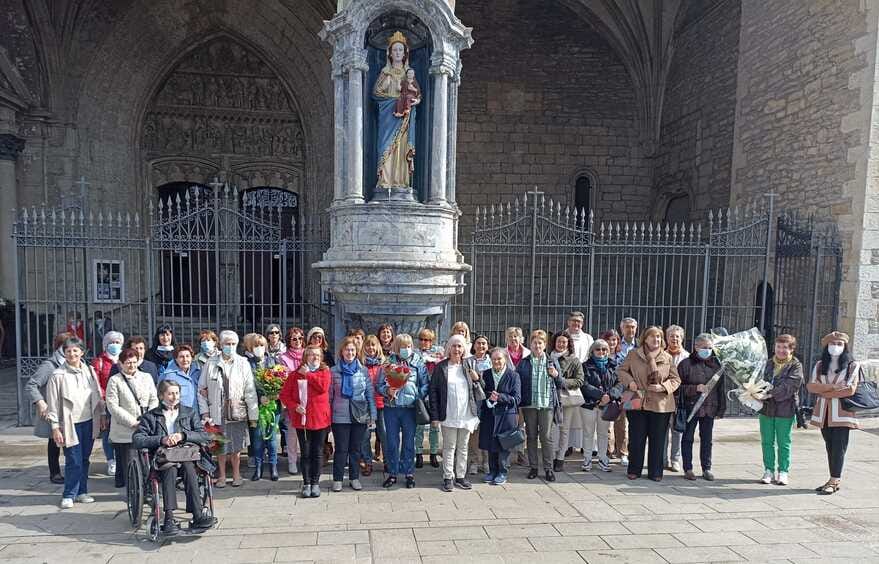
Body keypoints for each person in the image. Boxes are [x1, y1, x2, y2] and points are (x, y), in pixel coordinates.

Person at [132, 380, 216, 535]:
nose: (174, 397)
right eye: (170, 393)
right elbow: (137, 439)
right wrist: (161, 439)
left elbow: (205, 436)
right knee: (169, 468)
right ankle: (169, 518)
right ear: (161, 395)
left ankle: (197, 515)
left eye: (176, 393)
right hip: (164, 457)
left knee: (189, 468)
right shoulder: (151, 416)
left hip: (186, 454)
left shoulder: (189, 413)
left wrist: (183, 435)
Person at [45, 337, 105, 509]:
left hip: (88, 421)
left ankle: (82, 491)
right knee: (73, 460)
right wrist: (55, 427)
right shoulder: (58, 375)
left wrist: (101, 415)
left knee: (85, 459)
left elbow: (96, 395)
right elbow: (53, 403)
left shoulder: (89, 371)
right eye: (68, 351)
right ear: (64, 353)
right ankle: (69, 494)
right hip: (69, 424)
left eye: (75, 350)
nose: (72, 354)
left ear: (82, 352)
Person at [617, 326, 681, 481]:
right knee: (636, 438)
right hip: (637, 401)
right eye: (652, 337)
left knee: (658, 439)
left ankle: (655, 472)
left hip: (661, 404)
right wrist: (630, 382)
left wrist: (663, 387)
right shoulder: (633, 354)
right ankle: (634, 470)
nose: (656, 340)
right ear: (645, 339)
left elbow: (676, 380)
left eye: (659, 337)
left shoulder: (667, 357)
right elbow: (621, 371)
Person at [198, 330, 258, 488]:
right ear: (221, 344)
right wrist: (205, 413)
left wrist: (253, 415)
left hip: (237, 412)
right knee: (219, 446)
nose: (230, 347)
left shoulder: (243, 363)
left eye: (233, 344)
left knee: (236, 446)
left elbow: (250, 390)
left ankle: (237, 474)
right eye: (227, 344)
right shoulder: (211, 363)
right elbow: (201, 390)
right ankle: (222, 476)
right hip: (215, 413)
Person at [807, 331, 861, 495]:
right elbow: (811, 386)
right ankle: (832, 478)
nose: (835, 347)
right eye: (832, 344)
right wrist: (833, 388)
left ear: (845, 346)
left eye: (839, 344)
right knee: (829, 446)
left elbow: (850, 389)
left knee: (839, 447)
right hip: (823, 413)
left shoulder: (852, 365)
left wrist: (824, 392)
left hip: (842, 414)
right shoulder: (819, 365)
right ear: (826, 346)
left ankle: (834, 480)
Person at [429, 334, 480, 492]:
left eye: (460, 346)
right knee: (449, 447)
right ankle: (448, 477)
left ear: (464, 348)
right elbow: (433, 393)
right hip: (449, 413)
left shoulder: (469, 364)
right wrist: (435, 416)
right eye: (454, 346)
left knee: (463, 447)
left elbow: (480, 386)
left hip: (466, 413)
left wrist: (476, 378)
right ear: (449, 348)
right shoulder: (441, 367)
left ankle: (461, 476)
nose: (457, 349)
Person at [378, 333, 429, 489]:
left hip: (410, 409)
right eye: (402, 346)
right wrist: (388, 390)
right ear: (396, 347)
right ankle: (392, 473)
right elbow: (379, 385)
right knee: (392, 443)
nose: (405, 349)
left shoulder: (418, 363)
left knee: (409, 443)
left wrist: (416, 396)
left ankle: (409, 473)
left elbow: (425, 384)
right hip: (391, 408)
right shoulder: (388, 364)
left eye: (408, 346)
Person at [279, 346, 331, 498]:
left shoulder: (324, 372)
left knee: (317, 452)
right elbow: (285, 395)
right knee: (306, 452)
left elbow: (322, 388)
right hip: (303, 420)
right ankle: (306, 483)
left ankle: (316, 483)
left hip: (320, 419)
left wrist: (308, 374)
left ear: (321, 357)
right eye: (311, 355)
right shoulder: (295, 375)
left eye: (317, 355)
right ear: (305, 357)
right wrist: (295, 407)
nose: (314, 357)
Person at [25, 332, 74, 484]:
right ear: (61, 348)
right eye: (68, 347)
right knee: (54, 442)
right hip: (54, 410)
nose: (72, 351)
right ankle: (55, 472)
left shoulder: (75, 362)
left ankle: (73, 470)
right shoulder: (50, 366)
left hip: (70, 410)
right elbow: (31, 385)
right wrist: (40, 401)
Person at [106, 347, 158, 489]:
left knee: (147, 463)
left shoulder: (146, 377)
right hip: (125, 431)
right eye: (128, 363)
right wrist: (132, 422)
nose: (132, 365)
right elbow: (113, 406)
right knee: (131, 464)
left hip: (146, 428)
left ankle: (149, 491)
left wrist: (148, 419)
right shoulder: (115, 380)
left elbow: (154, 398)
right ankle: (134, 495)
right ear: (121, 364)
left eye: (134, 362)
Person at [329, 337, 376, 492]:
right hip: (339, 415)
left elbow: (369, 392)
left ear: (356, 352)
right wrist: (327, 415)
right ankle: (337, 479)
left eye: (352, 350)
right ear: (341, 352)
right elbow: (329, 395)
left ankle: (354, 478)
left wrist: (372, 414)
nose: (349, 353)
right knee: (341, 449)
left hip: (359, 415)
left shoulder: (362, 370)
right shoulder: (334, 371)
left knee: (356, 449)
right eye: (347, 350)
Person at [757, 333, 803, 486]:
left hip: (785, 408)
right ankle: (768, 470)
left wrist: (768, 394)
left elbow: (789, 387)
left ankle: (783, 471)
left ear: (791, 350)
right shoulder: (768, 363)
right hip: (766, 409)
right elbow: (758, 379)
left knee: (783, 442)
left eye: (785, 348)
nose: (781, 350)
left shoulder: (795, 365)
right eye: (778, 347)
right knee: (767, 441)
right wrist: (754, 390)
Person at [677, 333, 725, 481]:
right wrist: (694, 388)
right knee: (688, 438)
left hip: (709, 407)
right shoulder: (685, 364)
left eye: (710, 348)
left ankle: (707, 468)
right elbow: (678, 388)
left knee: (707, 439)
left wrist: (721, 409)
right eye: (704, 347)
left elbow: (720, 389)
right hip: (691, 408)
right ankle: (688, 468)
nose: (707, 350)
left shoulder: (717, 365)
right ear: (696, 347)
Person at [518, 329, 562, 482]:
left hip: (546, 404)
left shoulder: (551, 361)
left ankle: (548, 468)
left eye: (540, 343)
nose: (537, 345)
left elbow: (561, 383)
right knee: (531, 436)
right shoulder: (524, 362)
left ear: (545, 345)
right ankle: (534, 467)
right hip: (530, 404)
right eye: (534, 342)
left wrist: (556, 375)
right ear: (530, 344)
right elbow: (519, 384)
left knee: (546, 437)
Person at [479, 347, 521, 485]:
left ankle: (502, 472)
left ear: (505, 360)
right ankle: (492, 471)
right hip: (490, 414)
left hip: (506, 415)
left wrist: (500, 397)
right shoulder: (486, 374)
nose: (496, 361)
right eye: (494, 359)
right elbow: (482, 393)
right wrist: (490, 398)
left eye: (499, 359)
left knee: (503, 445)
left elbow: (517, 398)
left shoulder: (513, 375)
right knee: (491, 444)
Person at [244, 332, 279, 481]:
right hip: (255, 406)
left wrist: (273, 395)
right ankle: (258, 468)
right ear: (250, 347)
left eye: (261, 345)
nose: (259, 348)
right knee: (257, 438)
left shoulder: (273, 361)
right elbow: (246, 384)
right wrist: (259, 397)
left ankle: (273, 466)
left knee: (271, 438)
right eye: (256, 345)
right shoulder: (246, 363)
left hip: (272, 405)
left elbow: (280, 382)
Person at [580, 339, 620, 472]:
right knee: (588, 432)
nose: (601, 352)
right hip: (589, 404)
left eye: (604, 349)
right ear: (592, 351)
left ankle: (603, 458)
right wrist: (600, 396)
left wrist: (610, 396)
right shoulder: (585, 366)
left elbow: (620, 384)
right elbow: (584, 384)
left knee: (603, 433)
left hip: (607, 405)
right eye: (598, 349)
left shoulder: (614, 366)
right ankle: (587, 459)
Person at [550, 331, 585, 472]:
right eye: (559, 341)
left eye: (564, 342)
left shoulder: (574, 360)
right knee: (551, 430)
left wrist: (562, 380)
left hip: (566, 398)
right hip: (550, 397)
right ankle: (551, 456)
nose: (561, 344)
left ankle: (560, 458)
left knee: (564, 429)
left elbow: (580, 380)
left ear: (568, 344)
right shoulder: (548, 357)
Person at [92, 330, 124, 476]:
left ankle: (121, 458)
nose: (115, 345)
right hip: (106, 402)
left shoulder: (125, 359)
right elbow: (96, 383)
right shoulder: (99, 362)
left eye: (117, 342)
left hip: (123, 401)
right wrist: (104, 399)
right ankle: (111, 460)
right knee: (107, 432)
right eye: (111, 342)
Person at [663, 324, 690, 473]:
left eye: (677, 336)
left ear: (682, 339)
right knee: (662, 429)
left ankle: (675, 459)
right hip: (663, 397)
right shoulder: (661, 355)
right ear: (666, 338)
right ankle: (662, 459)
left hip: (680, 398)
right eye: (671, 336)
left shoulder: (687, 357)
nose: (674, 339)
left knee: (677, 430)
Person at [279, 327, 306, 474]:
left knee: (306, 431)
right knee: (292, 432)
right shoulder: (283, 357)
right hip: (292, 399)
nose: (297, 341)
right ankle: (292, 461)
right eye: (294, 339)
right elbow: (283, 378)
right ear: (289, 341)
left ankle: (305, 459)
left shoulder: (307, 354)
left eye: (300, 338)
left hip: (307, 398)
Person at [415, 328, 443, 469]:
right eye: (421, 339)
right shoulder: (415, 354)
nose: (424, 342)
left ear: (432, 341)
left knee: (434, 426)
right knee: (419, 426)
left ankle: (433, 454)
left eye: (427, 340)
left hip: (435, 394)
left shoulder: (439, 353)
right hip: (421, 393)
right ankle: (418, 454)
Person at [465, 335, 492, 475]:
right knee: (474, 433)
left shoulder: (492, 361)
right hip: (473, 401)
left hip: (488, 401)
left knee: (486, 432)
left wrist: (478, 379)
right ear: (473, 346)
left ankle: (486, 462)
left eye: (484, 344)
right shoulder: (468, 361)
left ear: (487, 346)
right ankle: (474, 461)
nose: (481, 346)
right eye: (478, 343)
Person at [361, 334, 387, 476]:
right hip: (364, 406)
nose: (371, 348)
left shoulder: (384, 364)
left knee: (384, 434)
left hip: (381, 404)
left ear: (378, 347)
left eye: (373, 345)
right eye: (368, 345)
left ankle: (387, 461)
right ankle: (367, 462)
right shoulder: (360, 365)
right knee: (365, 436)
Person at [159, 345, 201, 413]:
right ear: (176, 359)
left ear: (192, 358)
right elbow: (160, 397)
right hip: (178, 416)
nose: (185, 360)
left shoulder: (198, 372)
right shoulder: (168, 375)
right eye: (181, 357)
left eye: (187, 356)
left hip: (197, 416)